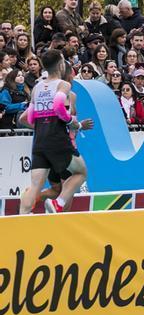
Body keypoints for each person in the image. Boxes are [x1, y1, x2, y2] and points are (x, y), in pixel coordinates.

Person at [19, 50, 93, 214]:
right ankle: (58, 203)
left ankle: (21, 218)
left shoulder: (37, 88)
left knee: (35, 186)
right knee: (81, 172)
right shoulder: (63, 85)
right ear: (60, 64)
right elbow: (58, 106)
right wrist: (70, 121)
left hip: (39, 141)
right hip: (57, 139)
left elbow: (28, 118)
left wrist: (41, 126)